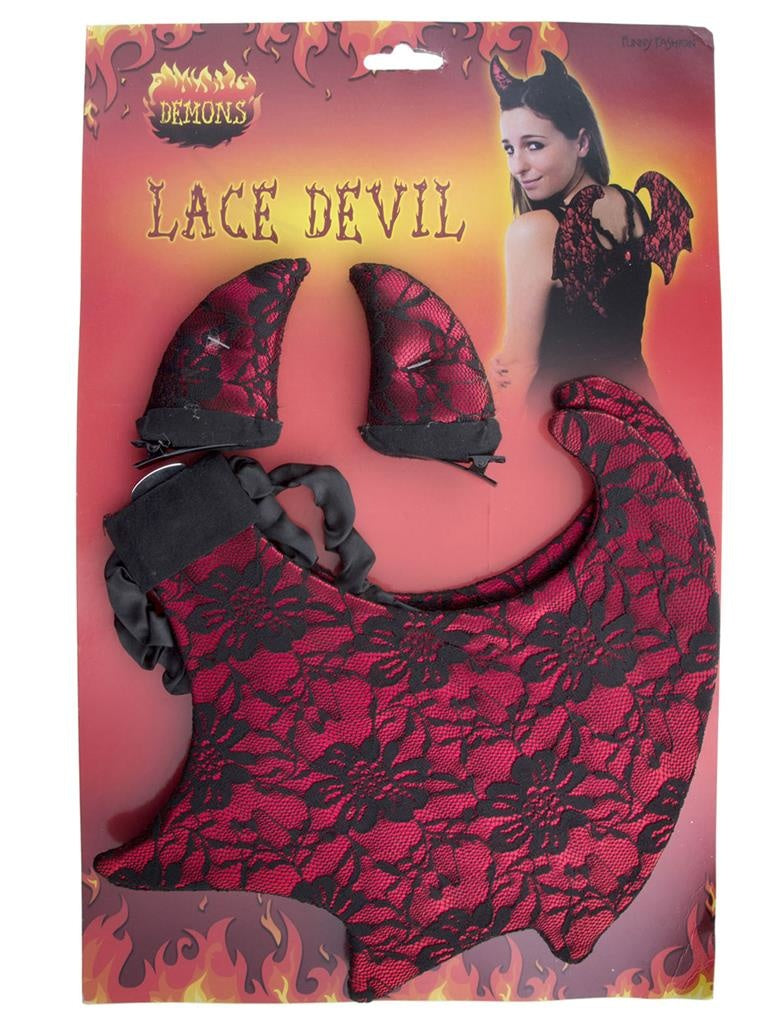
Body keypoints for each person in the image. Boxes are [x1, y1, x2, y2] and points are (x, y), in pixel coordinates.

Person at [489, 51, 692, 405]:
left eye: (534, 145)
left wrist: (500, 382)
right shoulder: (633, 206)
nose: (517, 166)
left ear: (582, 143)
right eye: (509, 149)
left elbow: (521, 365)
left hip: (563, 418)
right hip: (639, 406)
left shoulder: (535, 231)